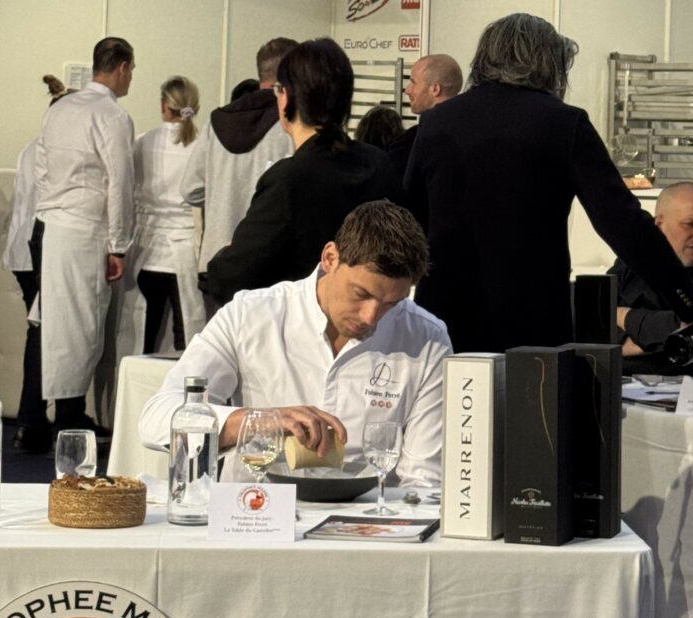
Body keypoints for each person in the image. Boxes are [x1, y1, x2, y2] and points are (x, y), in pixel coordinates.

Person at [404, 13, 693, 355]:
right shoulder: (563, 124)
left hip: (443, 318)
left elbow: (408, 221)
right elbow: (624, 223)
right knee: (529, 408)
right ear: (550, 63)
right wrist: (688, 303)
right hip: (532, 325)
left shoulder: (437, 122)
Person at [140, 200, 452, 487]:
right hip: (254, 516)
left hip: (366, 526)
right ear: (330, 258)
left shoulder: (426, 339)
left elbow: (424, 481)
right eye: (361, 294)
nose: (371, 317)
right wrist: (258, 422)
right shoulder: (250, 315)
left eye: (391, 304)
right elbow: (157, 418)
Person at [202, 38, 399, 307]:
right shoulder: (379, 164)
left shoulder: (289, 178)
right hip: (369, 320)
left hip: (298, 326)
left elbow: (235, 273)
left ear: (287, 97)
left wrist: (216, 266)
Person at [34, 37, 135, 437]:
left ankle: (68, 409)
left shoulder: (60, 108)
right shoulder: (112, 115)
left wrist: (47, 211)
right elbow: (120, 182)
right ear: (123, 67)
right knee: (83, 323)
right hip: (87, 227)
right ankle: (71, 417)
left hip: (54, 224)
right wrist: (119, 244)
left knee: (59, 322)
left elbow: (42, 165)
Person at [180, 38, 296, 294]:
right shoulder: (289, 125)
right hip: (269, 265)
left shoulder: (217, 120)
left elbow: (190, 189)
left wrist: (223, 199)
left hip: (216, 261)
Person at [4, 75, 71, 454]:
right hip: (41, 250)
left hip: (24, 251)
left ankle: (42, 416)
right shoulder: (55, 153)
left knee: (44, 332)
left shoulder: (32, 149)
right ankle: (36, 418)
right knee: (46, 334)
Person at [613, 181, 693, 376]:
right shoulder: (628, 267)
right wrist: (657, 333)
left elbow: (685, 341)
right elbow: (591, 327)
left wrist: (621, 315)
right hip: (617, 389)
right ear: (659, 224)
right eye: (690, 224)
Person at [129, 76, 205, 354]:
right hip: (185, 252)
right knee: (185, 337)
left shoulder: (143, 142)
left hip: (146, 251)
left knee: (141, 337)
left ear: (163, 106)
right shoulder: (202, 145)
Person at [387, 54, 461, 182]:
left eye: (413, 82)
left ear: (435, 89)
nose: (407, 90)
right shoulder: (475, 134)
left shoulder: (410, 143)